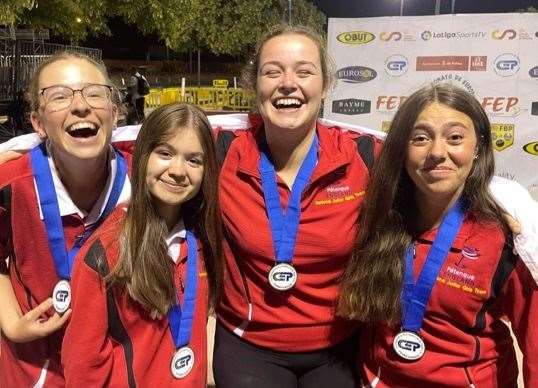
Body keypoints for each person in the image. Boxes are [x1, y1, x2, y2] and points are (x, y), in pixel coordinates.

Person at [212, 25, 380, 388]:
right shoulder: (223, 151)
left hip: (339, 348)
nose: (288, 83)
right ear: (254, 84)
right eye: (272, 71)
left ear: (325, 85)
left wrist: (503, 208)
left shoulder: (363, 157)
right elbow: (139, 149)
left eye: (304, 71)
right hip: (248, 347)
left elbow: (439, 169)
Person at [338, 83, 538, 387]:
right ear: (402, 149)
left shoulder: (505, 238)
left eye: (455, 138)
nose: (437, 152)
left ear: (478, 148)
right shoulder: (375, 218)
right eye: (420, 138)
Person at [62, 102, 222, 387]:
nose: (177, 170)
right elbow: (82, 364)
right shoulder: (106, 251)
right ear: (142, 156)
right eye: (165, 153)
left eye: (194, 160)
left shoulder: (203, 239)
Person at [0, 51, 131, 386]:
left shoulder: (146, 182)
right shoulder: (12, 184)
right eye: (59, 95)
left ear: (115, 113)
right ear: (38, 123)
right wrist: (11, 321)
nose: (80, 105)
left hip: (117, 366)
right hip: (35, 368)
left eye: (94, 92)